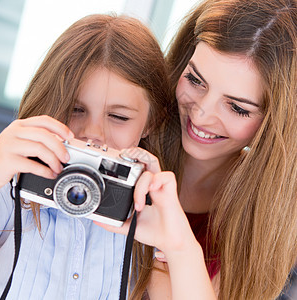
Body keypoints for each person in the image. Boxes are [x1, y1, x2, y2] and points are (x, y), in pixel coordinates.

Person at [100, 0, 296, 299]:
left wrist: (176, 245)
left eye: (237, 107)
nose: (201, 114)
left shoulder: (267, 218)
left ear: (276, 126)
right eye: (194, 79)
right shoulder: (126, 139)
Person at [0, 14, 171, 299]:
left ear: (152, 122)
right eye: (76, 109)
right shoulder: (15, 181)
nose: (93, 133)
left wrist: (171, 239)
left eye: (118, 116)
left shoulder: (152, 215)